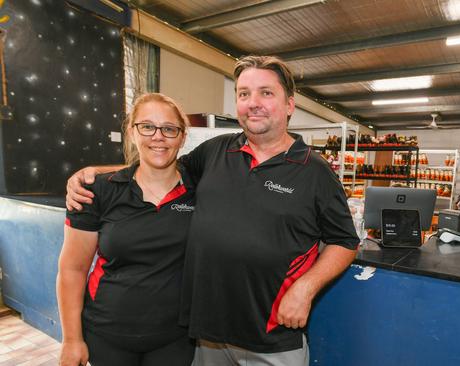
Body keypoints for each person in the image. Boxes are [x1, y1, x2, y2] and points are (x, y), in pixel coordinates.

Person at [65, 56, 360, 366]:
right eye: (244, 93)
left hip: (272, 337)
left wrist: (305, 288)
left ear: (289, 104)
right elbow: (160, 165)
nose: (253, 103)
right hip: (208, 338)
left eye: (266, 93)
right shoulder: (216, 151)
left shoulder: (315, 171)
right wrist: (95, 172)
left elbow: (344, 241)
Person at [57, 93, 196, 366]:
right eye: (147, 126)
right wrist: (72, 339)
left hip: (176, 338)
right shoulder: (95, 190)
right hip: (107, 336)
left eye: (169, 129)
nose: (158, 136)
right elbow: (72, 270)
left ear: (182, 137)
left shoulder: (199, 188)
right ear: (132, 132)